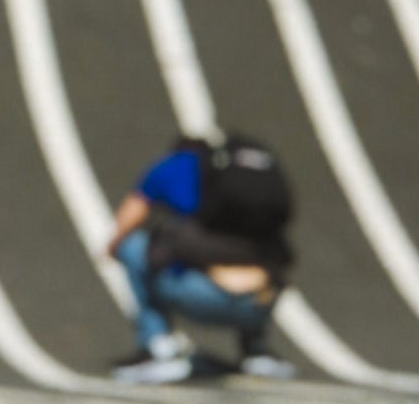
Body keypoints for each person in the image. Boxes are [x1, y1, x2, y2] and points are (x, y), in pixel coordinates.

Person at [106, 133, 296, 384]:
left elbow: (128, 219)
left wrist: (111, 249)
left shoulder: (171, 167)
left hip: (201, 296)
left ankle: (157, 347)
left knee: (133, 247)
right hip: (260, 302)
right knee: (256, 256)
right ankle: (255, 349)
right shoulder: (245, 182)